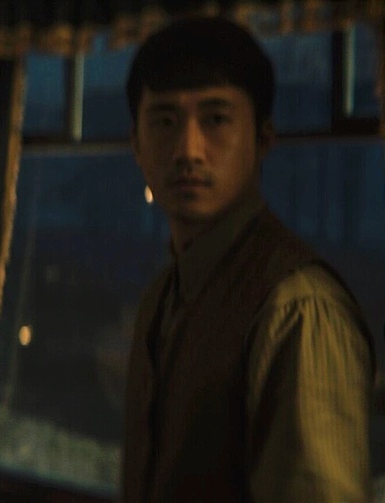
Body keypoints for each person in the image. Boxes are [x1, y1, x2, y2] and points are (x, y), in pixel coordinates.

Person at [122, 17, 375, 502]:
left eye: (216, 120)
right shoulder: (162, 296)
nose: (188, 151)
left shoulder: (296, 308)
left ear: (262, 138)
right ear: (136, 142)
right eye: (165, 121)